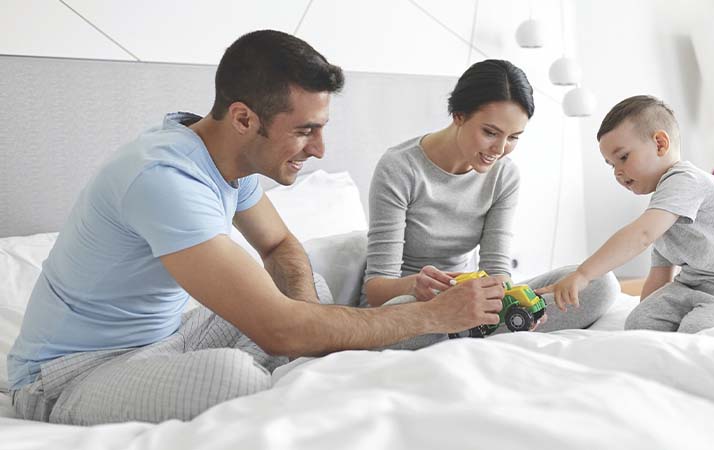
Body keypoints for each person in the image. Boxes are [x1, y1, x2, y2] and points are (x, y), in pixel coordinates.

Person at [7, 30, 506, 426]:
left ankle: (336, 344)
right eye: (305, 130)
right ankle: (388, 335)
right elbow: (277, 326)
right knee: (233, 379)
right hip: (73, 373)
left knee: (308, 280)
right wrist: (427, 317)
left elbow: (280, 245)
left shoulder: (221, 155)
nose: (319, 149)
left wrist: (310, 319)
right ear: (244, 118)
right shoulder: (163, 180)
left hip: (173, 333)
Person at [363, 59, 619, 347]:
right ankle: (477, 332)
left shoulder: (504, 175)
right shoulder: (400, 168)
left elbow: (497, 271)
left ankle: (479, 331)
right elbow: (376, 290)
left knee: (600, 284)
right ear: (458, 115)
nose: (499, 150)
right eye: (490, 133)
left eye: (513, 138)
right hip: (411, 305)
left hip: (470, 296)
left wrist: (507, 299)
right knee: (399, 313)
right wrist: (416, 284)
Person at [536, 95, 714, 333]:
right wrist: (647, 312)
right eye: (612, 165)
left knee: (699, 330)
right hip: (694, 286)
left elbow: (642, 235)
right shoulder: (663, 208)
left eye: (623, 157)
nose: (617, 172)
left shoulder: (685, 181)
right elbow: (660, 277)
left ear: (660, 143)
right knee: (638, 323)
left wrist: (583, 274)